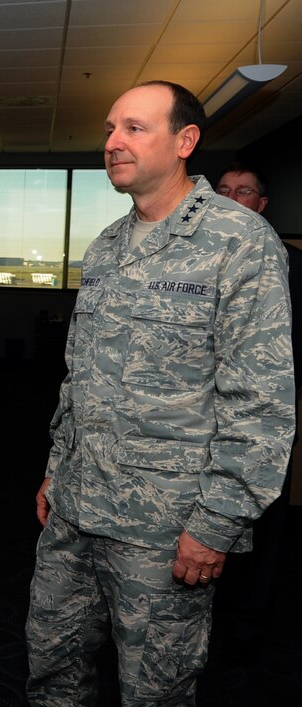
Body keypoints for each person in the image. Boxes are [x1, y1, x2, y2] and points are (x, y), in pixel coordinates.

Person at [25, 81, 294, 705]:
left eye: (134, 129)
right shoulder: (107, 247)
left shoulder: (240, 242)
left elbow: (262, 402)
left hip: (164, 529)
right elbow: (80, 378)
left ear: (185, 141)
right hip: (75, 509)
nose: (112, 143)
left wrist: (217, 523)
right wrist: (54, 470)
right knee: (51, 669)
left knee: (156, 691)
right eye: (110, 129)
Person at [213, 163, 300, 652]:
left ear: (262, 204)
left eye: (243, 192)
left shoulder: (287, 263)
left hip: (265, 421)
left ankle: (250, 619)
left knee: (263, 523)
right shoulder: (201, 261)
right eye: (222, 190)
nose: (230, 198)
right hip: (206, 422)